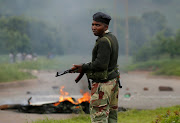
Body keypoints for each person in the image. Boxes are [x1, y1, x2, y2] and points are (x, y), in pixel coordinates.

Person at [73, 12, 119, 123]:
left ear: (106, 27)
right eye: (93, 24)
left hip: (103, 86)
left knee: (99, 118)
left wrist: (83, 67)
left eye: (97, 25)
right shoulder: (112, 37)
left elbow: (100, 64)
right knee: (111, 118)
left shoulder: (103, 41)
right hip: (113, 82)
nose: (94, 27)